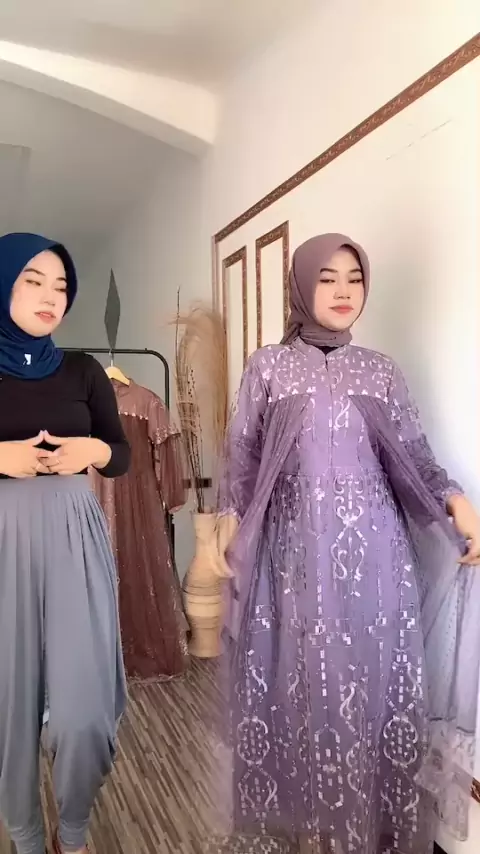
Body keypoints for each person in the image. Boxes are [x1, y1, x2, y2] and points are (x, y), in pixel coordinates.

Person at [215, 234, 480, 854]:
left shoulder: (381, 371)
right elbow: (243, 458)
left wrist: (455, 499)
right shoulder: (269, 367)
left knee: (373, 693)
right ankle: (316, 829)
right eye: (327, 277)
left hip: (379, 561)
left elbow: (413, 455)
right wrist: (227, 525)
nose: (342, 291)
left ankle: (367, 832)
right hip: (296, 561)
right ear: (301, 286)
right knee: (308, 690)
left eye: (354, 279)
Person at [0, 233, 130, 854]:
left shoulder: (83, 370)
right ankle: (26, 837)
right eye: (33, 281)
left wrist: (93, 449)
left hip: (76, 536)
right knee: (8, 708)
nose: (51, 296)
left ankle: (71, 831)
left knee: (84, 714)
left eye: (61, 286)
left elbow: (121, 454)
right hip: (3, 540)